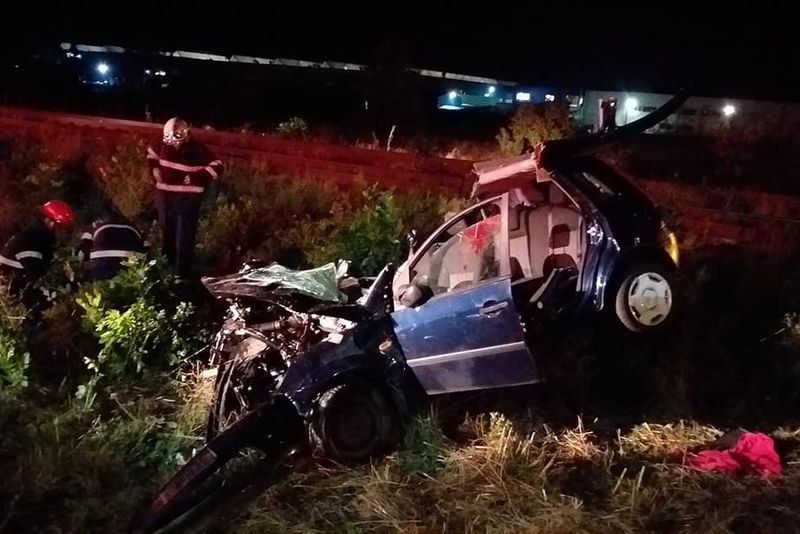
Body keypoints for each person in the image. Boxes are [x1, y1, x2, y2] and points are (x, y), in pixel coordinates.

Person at [147, 117, 223, 279]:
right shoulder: (160, 144)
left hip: (187, 200)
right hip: (165, 197)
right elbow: (151, 155)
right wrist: (154, 169)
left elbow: (218, 167)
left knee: (184, 238)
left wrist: (195, 177)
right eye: (169, 139)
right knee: (167, 235)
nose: (173, 144)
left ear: (186, 135)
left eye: (177, 139)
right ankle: (166, 272)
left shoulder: (198, 150)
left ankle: (182, 276)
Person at [0, 200, 75, 298]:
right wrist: (59, 295)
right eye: (61, 228)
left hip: (15, 290)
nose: (63, 234)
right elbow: (38, 277)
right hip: (11, 294)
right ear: (51, 222)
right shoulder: (31, 242)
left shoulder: (39, 239)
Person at [78, 205, 144, 281]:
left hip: (102, 265)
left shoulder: (94, 227)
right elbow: (144, 246)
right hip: (132, 264)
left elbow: (83, 251)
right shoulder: (133, 227)